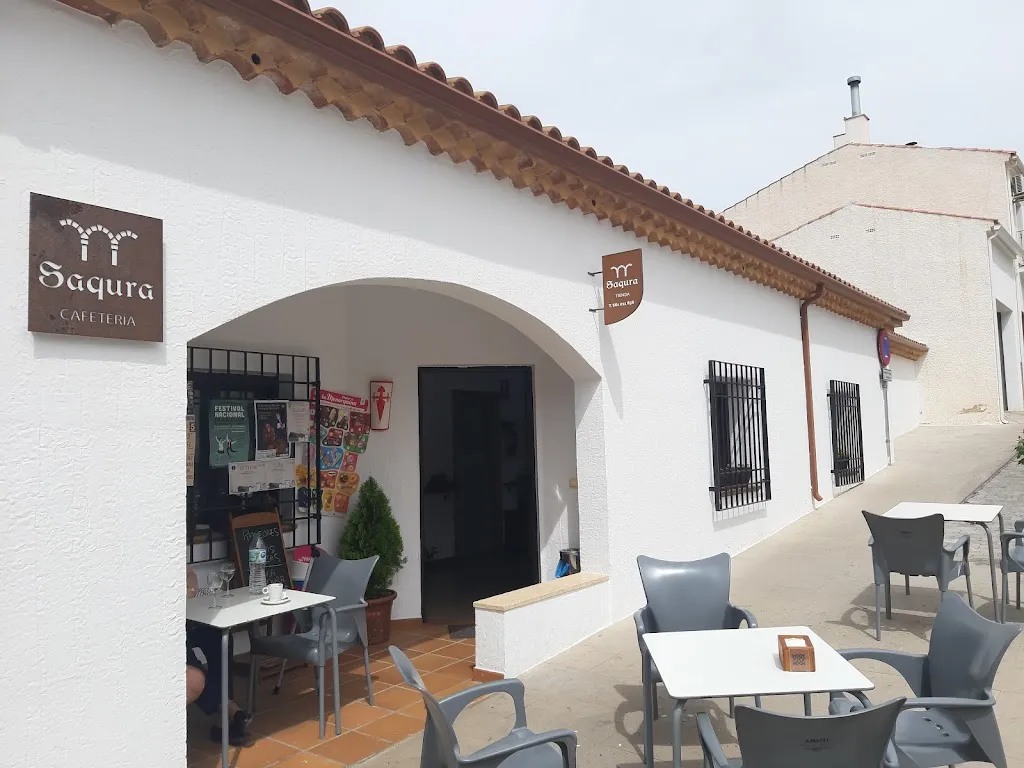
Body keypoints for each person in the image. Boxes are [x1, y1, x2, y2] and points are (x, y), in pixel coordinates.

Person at [186, 568, 250, 746]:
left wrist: (188, 589)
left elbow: (190, 576)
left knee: (219, 637)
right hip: (162, 628)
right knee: (186, 655)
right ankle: (231, 710)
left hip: (186, 619)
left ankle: (224, 722)